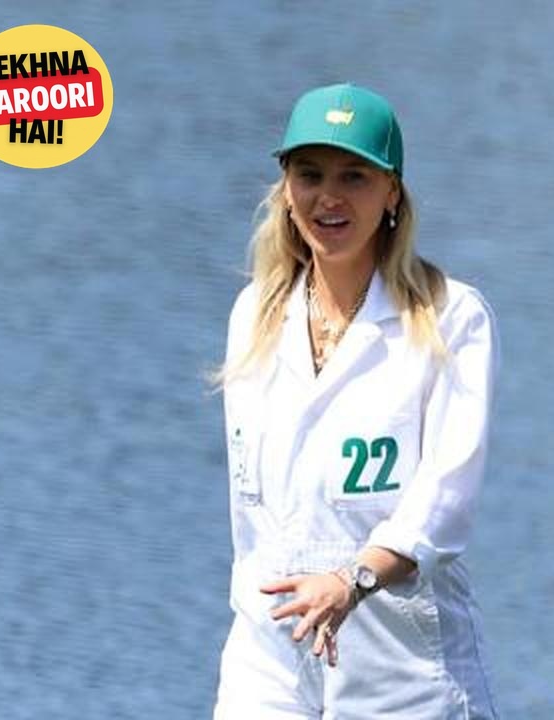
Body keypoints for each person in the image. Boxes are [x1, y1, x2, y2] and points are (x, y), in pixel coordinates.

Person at [213, 82, 499, 719]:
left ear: (392, 191)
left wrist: (352, 580)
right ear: (286, 188)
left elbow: (445, 501)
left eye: (354, 176)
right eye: (310, 174)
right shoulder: (254, 315)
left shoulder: (452, 318)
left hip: (405, 673)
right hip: (269, 665)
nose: (329, 197)